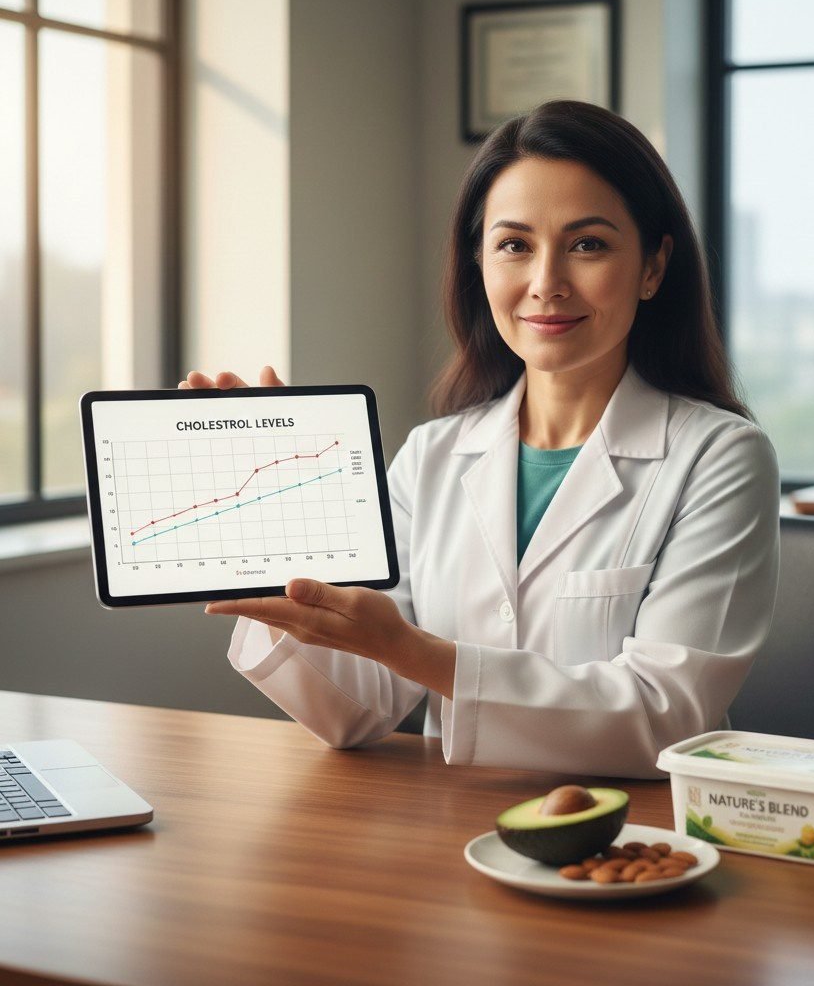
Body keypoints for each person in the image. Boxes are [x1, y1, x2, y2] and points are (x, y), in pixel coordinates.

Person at [187, 100, 780, 778]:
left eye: (587, 244)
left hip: (632, 844)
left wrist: (414, 651)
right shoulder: (432, 457)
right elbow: (357, 711)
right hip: (452, 838)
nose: (546, 283)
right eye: (514, 245)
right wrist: (268, 537)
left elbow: (665, 717)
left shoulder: (721, 458)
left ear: (652, 267)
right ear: (479, 265)